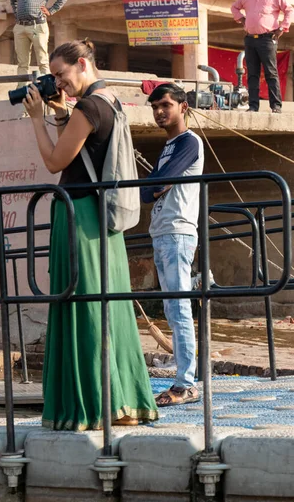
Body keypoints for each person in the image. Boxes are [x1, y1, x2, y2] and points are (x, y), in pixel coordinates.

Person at [22, 39, 158, 430]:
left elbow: (54, 162)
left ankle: (89, 407)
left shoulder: (88, 107)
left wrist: (36, 118)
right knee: (107, 307)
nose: (57, 84)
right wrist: (60, 114)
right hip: (104, 219)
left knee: (80, 304)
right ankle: (122, 403)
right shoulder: (109, 100)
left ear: (82, 64)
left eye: (61, 75)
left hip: (80, 216)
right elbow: (89, 153)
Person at [141, 83, 204, 407]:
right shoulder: (168, 147)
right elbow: (147, 191)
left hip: (178, 232)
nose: (159, 112)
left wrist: (155, 186)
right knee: (171, 308)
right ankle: (184, 378)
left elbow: (157, 184)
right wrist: (154, 186)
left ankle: (186, 383)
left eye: (165, 105)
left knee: (179, 310)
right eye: (155, 107)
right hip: (162, 232)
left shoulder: (189, 142)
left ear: (183, 106)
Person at [231, 0, 294, 113]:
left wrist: (282, 28)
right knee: (252, 74)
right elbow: (234, 7)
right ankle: (253, 106)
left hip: (267, 39)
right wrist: (240, 19)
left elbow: (289, 10)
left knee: (270, 73)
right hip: (250, 39)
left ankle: (276, 106)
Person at [10, 0, 68, 87]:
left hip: (38, 25)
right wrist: (17, 13)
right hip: (20, 27)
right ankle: (21, 92)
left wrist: (51, 11)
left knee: (42, 61)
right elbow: (13, 0)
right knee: (22, 63)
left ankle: (47, 90)